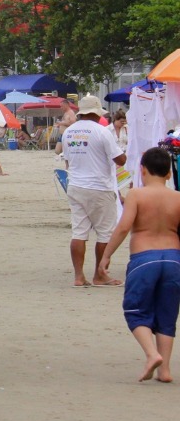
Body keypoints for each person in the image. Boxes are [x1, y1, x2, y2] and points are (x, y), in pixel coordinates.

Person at [97, 146, 180, 382]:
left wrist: (106, 255)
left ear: (142, 170)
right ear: (169, 174)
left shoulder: (136, 195)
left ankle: (152, 354)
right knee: (167, 315)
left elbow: (124, 227)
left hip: (145, 258)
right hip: (173, 258)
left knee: (135, 310)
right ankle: (165, 371)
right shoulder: (178, 197)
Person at [57, 94, 127, 288]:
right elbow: (120, 160)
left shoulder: (69, 132)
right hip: (98, 186)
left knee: (79, 232)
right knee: (105, 233)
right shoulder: (102, 131)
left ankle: (79, 276)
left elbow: (68, 161)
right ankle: (100, 274)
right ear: (97, 114)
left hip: (76, 185)